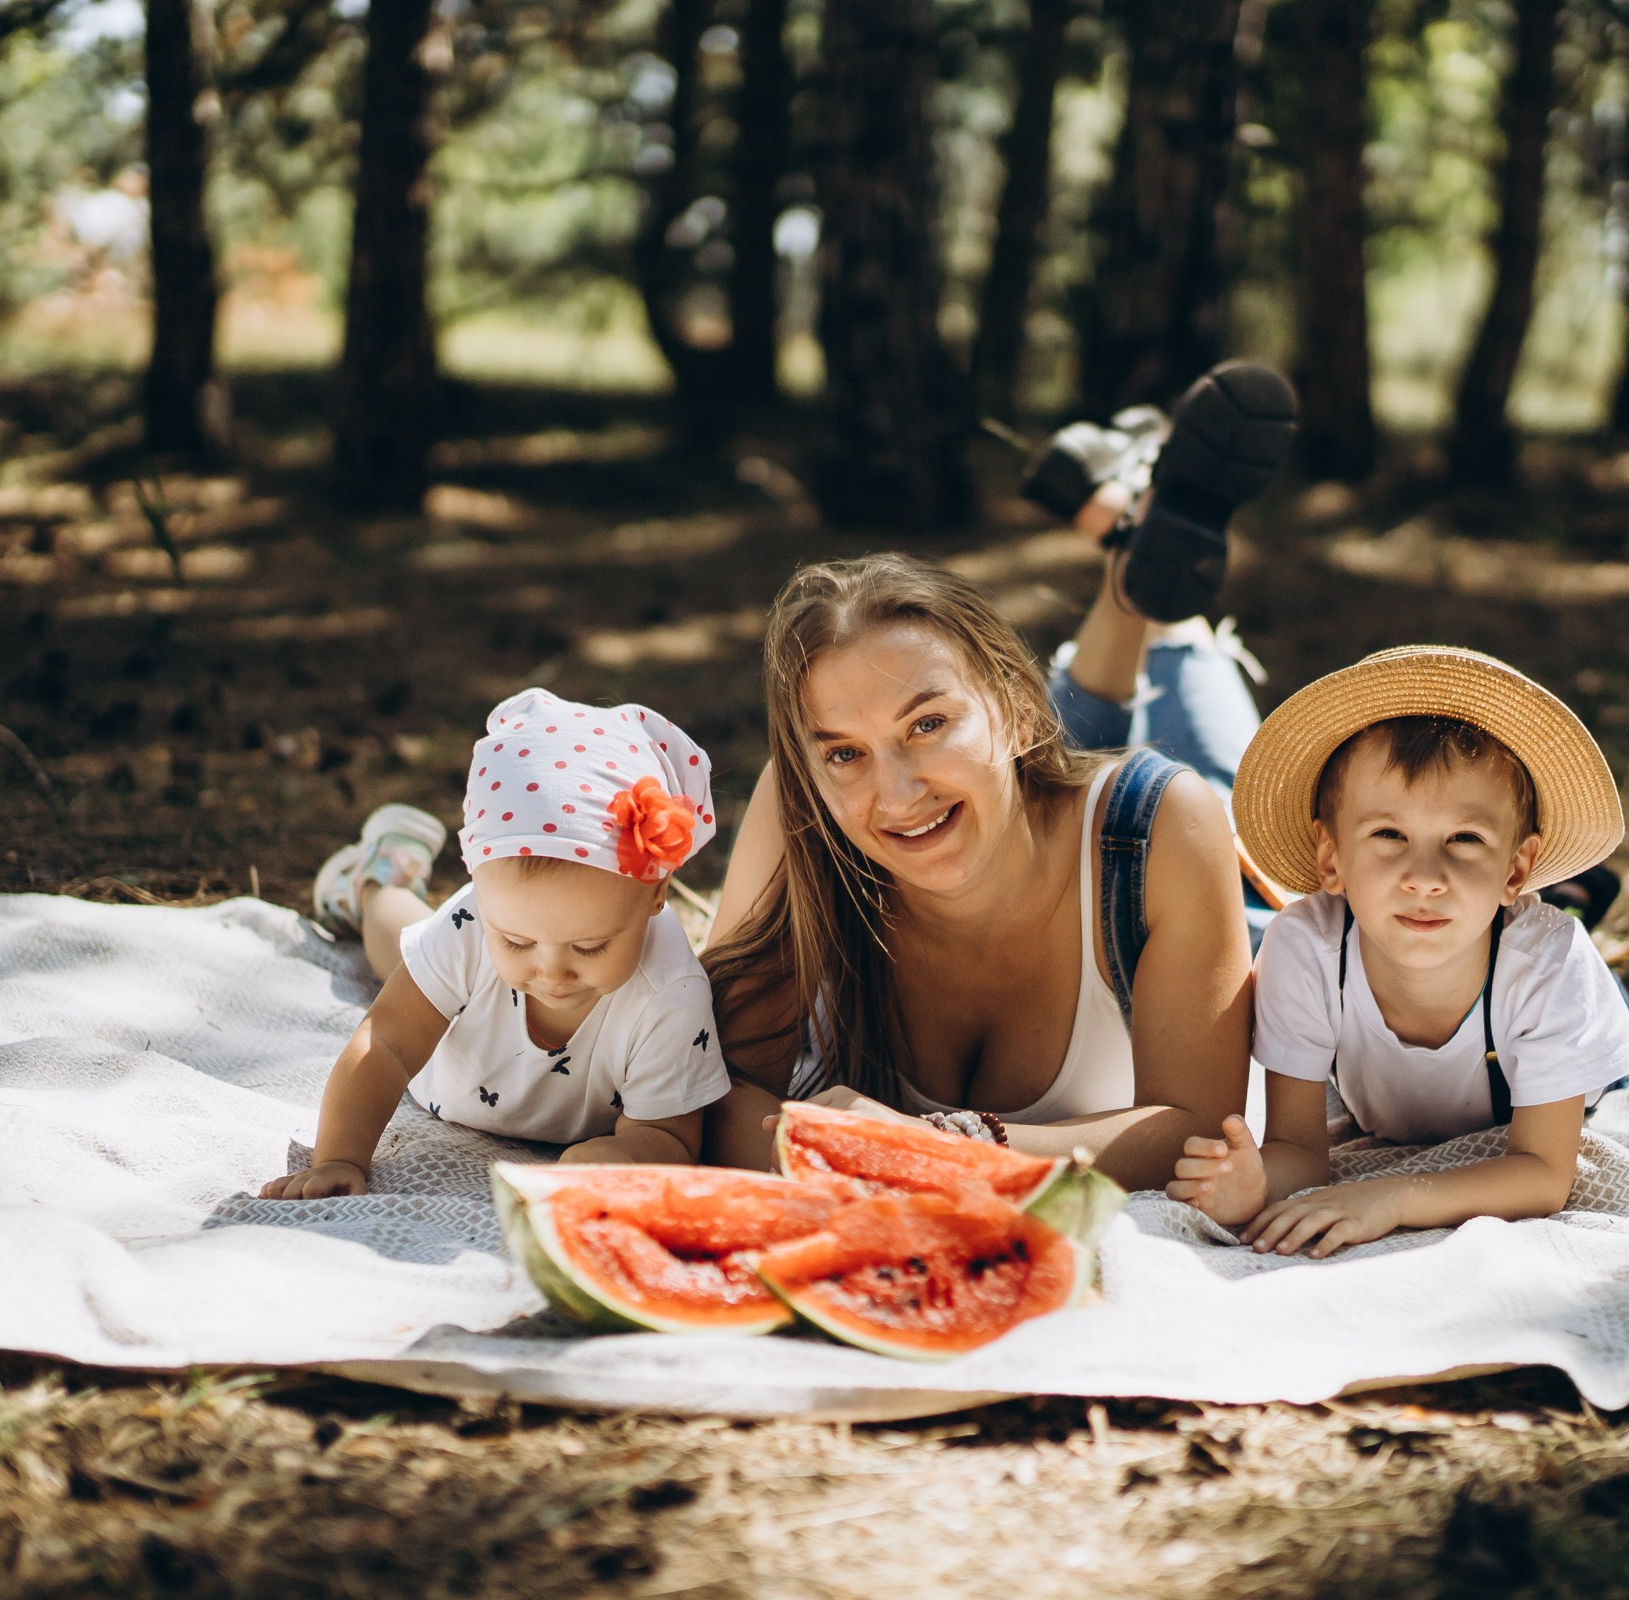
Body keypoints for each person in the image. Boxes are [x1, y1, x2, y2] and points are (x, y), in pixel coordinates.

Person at [699, 364, 1304, 1188]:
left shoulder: (1166, 826)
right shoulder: (805, 804)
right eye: (844, 751)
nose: (896, 788)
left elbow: (1196, 1131)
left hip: (1215, 893)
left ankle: (1151, 583)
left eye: (925, 723)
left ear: (1025, 710)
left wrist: (937, 1150)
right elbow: (716, 1092)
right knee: (1006, 777)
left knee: (1186, 711)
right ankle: (1130, 538)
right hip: (1026, 788)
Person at [1166, 647, 1629, 1255]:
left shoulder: (1550, 964)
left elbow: (1544, 1174)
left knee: (1565, 946)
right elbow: (1298, 1150)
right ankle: (1564, 892)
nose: (1425, 877)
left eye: (1464, 839)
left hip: (1544, 992)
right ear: (1330, 858)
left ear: (1516, 868)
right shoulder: (1306, 947)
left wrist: (1392, 1196)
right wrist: (1257, 1181)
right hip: (1490, 944)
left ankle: (1572, 902)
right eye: (1389, 834)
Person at [261, 688, 727, 1198]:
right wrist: (338, 1157)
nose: (551, 972)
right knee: (397, 947)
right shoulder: (470, 926)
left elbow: (670, 1135)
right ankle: (378, 879)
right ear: (481, 892)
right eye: (517, 941)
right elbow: (388, 1042)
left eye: (590, 946)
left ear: (655, 893)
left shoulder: (670, 992)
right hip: (441, 1075)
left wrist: (621, 1155)